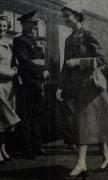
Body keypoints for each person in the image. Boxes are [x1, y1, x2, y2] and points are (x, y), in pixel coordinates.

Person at [56, 3, 108, 179]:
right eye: (64, 16)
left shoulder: (89, 34)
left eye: (68, 15)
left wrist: (79, 62)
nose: (66, 19)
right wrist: (60, 86)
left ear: (77, 15)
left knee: (83, 124)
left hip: (92, 87)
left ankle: (81, 163)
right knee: (94, 123)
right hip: (79, 88)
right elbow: (65, 66)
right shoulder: (69, 39)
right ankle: (107, 157)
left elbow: (102, 59)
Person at [13, 11, 49, 159]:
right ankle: (27, 150)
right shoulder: (20, 40)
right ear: (24, 24)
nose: (35, 26)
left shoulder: (36, 41)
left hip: (38, 83)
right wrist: (41, 72)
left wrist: (45, 70)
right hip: (27, 84)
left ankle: (37, 146)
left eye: (36, 23)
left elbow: (41, 61)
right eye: (32, 23)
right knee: (26, 117)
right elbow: (24, 62)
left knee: (37, 116)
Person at [0, 15, 21, 164]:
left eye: (4, 26)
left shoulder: (8, 43)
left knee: (5, 121)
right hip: (0, 85)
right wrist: (12, 72)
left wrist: (15, 67)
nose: (2, 29)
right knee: (0, 120)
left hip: (9, 87)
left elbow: (14, 61)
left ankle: (3, 149)